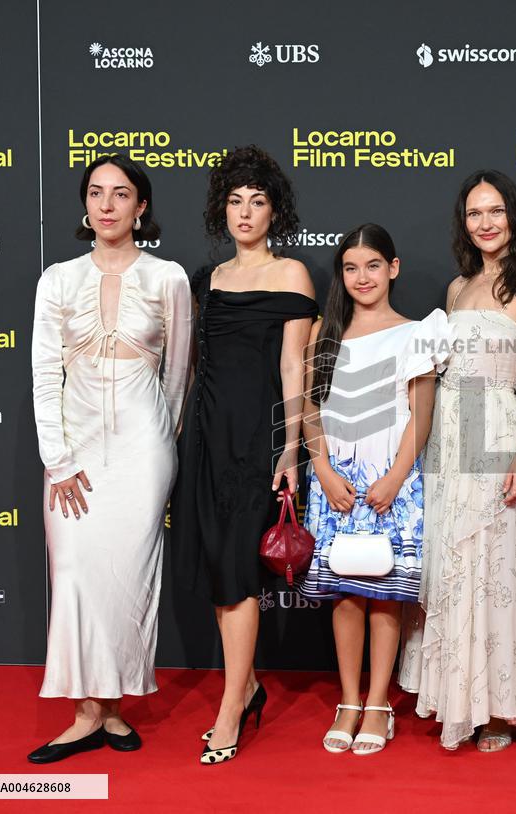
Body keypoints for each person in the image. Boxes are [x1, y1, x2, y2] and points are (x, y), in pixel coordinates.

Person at [28, 155, 191, 763]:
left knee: (128, 580)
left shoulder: (168, 277)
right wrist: (58, 459)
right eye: (96, 192)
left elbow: (178, 375)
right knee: (74, 573)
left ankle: (115, 707)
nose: (106, 204)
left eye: (121, 194)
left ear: (140, 207)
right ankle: (83, 715)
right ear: (85, 204)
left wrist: (159, 441)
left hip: (142, 451)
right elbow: (44, 375)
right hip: (74, 449)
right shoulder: (57, 280)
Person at [399, 170, 516, 751]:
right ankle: (456, 697)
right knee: (453, 560)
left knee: (496, 566)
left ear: (513, 215)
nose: (485, 223)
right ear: (463, 223)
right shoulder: (456, 288)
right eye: (474, 213)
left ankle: (497, 710)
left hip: (497, 428)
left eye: (495, 211)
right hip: (449, 431)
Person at [172, 146, 317, 765]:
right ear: (221, 210)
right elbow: (195, 366)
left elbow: (294, 367)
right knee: (216, 565)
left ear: (274, 211)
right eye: (235, 201)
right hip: (206, 437)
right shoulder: (207, 280)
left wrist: (290, 449)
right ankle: (249, 685)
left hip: (256, 440)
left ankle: (231, 707)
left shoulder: (292, 275)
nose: (245, 212)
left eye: (257, 201)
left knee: (238, 569)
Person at [298, 223, 448, 755]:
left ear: (393, 268)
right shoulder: (324, 333)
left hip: (392, 482)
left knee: (384, 593)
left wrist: (394, 477)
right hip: (335, 481)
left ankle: (379, 702)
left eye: (373, 266)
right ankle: (348, 700)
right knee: (345, 593)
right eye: (351, 268)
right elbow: (309, 408)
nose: (362, 277)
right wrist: (323, 471)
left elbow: (420, 416)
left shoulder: (418, 333)